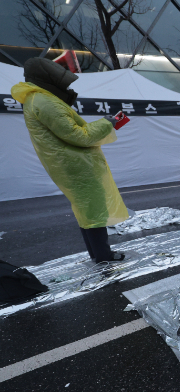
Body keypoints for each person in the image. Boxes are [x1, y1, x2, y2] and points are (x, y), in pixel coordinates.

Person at [11, 58, 129, 263]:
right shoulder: (44, 101)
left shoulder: (36, 99)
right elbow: (79, 136)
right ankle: (104, 256)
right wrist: (108, 122)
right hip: (78, 165)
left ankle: (97, 254)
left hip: (70, 164)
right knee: (94, 210)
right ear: (46, 77)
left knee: (87, 211)